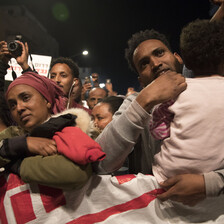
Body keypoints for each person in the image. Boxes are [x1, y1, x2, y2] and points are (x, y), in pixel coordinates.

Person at [94, 27, 223, 206]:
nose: (155, 64)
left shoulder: (214, 91)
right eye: (144, 64)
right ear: (140, 80)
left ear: (178, 58)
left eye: (160, 53)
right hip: (157, 210)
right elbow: (100, 161)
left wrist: (211, 183)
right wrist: (145, 100)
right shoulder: (136, 102)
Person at [149, 19, 224, 186]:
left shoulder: (175, 91)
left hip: (167, 175)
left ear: (186, 62)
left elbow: (158, 133)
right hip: (214, 176)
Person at [0, 71, 93, 189]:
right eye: (13, 105)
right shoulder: (13, 134)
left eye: (26, 98)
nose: (19, 108)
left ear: (47, 100)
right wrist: (18, 144)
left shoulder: (72, 127)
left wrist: (14, 164)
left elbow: (76, 172)